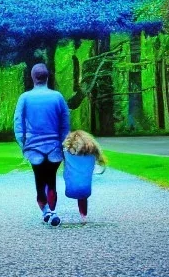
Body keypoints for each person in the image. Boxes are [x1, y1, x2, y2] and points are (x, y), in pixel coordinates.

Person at [13, 63, 70, 227]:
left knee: (39, 179)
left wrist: (22, 142)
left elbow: (18, 122)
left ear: (32, 77)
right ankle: (52, 212)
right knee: (51, 180)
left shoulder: (24, 98)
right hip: (54, 147)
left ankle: (46, 211)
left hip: (33, 148)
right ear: (47, 77)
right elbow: (65, 123)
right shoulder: (58, 97)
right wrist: (62, 142)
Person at [62, 129, 106, 224]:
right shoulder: (92, 153)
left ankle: (50, 211)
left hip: (71, 186)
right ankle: (83, 216)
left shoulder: (67, 152)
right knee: (82, 197)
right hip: (85, 188)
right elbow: (100, 164)